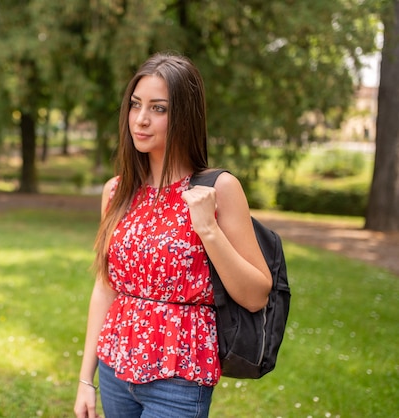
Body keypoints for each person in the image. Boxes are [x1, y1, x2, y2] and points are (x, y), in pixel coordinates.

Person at [73, 52, 272, 418]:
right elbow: (105, 287)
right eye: (135, 105)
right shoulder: (117, 191)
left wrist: (208, 229)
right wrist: (86, 380)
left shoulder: (220, 188)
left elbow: (258, 294)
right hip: (115, 366)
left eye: (159, 109)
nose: (141, 119)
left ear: (185, 116)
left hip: (179, 375)